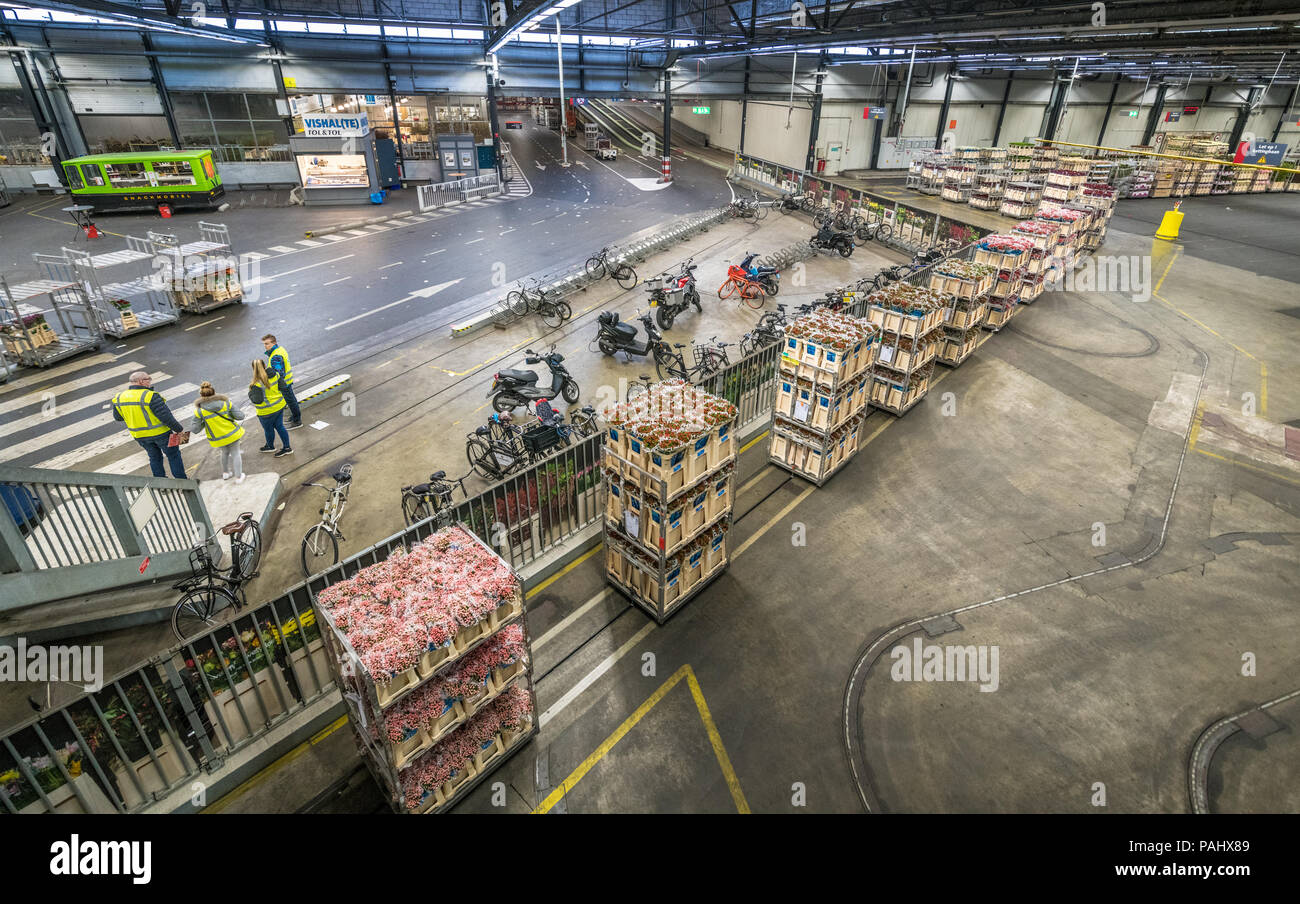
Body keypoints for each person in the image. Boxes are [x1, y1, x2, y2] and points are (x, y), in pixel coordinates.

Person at [110, 371, 187, 479]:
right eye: (148, 379)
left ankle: (161, 484)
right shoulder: (150, 396)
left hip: (140, 436)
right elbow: (165, 417)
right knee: (173, 456)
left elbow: (118, 417)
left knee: (155, 458)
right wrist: (179, 430)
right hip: (161, 434)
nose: (150, 382)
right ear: (141, 381)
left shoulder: (119, 397)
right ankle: (182, 482)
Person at [191, 381, 247, 484]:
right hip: (232, 434)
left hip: (217, 438)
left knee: (224, 452)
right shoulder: (226, 403)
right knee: (235, 453)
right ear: (214, 392)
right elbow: (241, 416)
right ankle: (239, 477)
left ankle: (226, 473)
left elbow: (195, 429)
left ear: (201, 395)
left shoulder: (199, 411)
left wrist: (205, 422)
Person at [248, 359, 293, 458]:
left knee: (268, 430)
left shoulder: (256, 384)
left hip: (266, 412)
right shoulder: (275, 375)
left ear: (253, 369)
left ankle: (270, 446)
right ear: (265, 365)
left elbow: (257, 400)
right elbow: (284, 386)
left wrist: (250, 393)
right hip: (279, 406)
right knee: (280, 427)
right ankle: (287, 448)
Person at [261, 333, 301, 429]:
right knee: (291, 400)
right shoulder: (280, 349)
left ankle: (297, 421)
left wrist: (267, 373)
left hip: (283, 383)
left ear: (274, 343)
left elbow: (279, 373)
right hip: (287, 381)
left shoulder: (276, 356)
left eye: (267, 343)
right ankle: (295, 416)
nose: (265, 346)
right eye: (264, 344)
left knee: (291, 401)